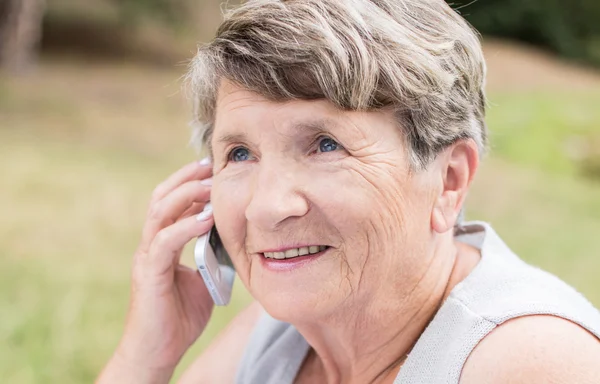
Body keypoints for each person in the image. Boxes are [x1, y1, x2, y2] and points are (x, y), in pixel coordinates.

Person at [97, 0, 600, 383]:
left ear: (449, 180)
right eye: (241, 154)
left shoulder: (532, 359)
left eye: (325, 145)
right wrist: (145, 355)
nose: (268, 206)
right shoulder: (287, 330)